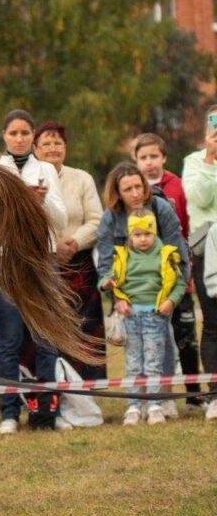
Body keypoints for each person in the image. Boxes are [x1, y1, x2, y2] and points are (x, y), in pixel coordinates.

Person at [0, 110, 66, 434]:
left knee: (46, 338)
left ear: (33, 136)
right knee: (9, 340)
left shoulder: (46, 170)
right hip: (7, 261)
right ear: (4, 136)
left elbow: (61, 220)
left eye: (25, 133)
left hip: (41, 260)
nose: (19, 138)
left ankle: (46, 411)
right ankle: (9, 412)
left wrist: (43, 201)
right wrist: (20, 201)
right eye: (13, 133)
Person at [98, 161, 188, 418]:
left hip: (162, 290)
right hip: (130, 296)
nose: (135, 193)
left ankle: (163, 396)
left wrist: (172, 296)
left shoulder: (161, 209)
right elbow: (106, 265)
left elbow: (178, 253)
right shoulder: (109, 219)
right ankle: (136, 403)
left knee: (164, 342)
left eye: (139, 186)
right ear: (117, 193)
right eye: (128, 189)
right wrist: (116, 299)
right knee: (135, 352)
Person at [134, 132, 202, 408]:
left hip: (177, 276)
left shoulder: (178, 187)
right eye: (143, 157)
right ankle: (160, 396)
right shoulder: (132, 189)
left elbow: (187, 226)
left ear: (164, 157)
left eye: (154, 156)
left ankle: (193, 393)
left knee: (185, 336)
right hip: (146, 281)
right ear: (135, 160)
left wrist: (188, 269)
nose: (149, 162)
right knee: (154, 340)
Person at [32, 121, 105, 379]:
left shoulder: (82, 178)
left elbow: (97, 220)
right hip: (41, 264)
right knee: (46, 329)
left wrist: (73, 242)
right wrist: (53, 247)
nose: (53, 148)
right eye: (46, 144)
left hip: (80, 262)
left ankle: (88, 390)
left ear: (66, 147)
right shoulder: (28, 179)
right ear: (35, 148)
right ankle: (48, 393)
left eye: (58, 143)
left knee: (84, 326)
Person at [183, 118, 217, 421]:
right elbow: (198, 199)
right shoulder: (194, 161)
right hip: (207, 251)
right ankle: (216, 394)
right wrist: (209, 160)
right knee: (213, 324)